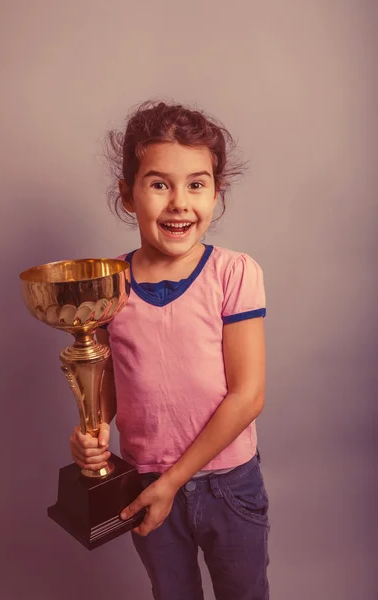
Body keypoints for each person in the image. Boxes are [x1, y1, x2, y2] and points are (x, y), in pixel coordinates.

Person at [70, 100, 270, 600]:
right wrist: (92, 432)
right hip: (145, 479)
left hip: (228, 484)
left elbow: (247, 396)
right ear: (128, 196)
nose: (180, 202)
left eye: (196, 184)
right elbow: (114, 377)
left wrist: (174, 481)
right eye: (160, 184)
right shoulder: (110, 283)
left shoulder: (234, 273)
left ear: (216, 194)